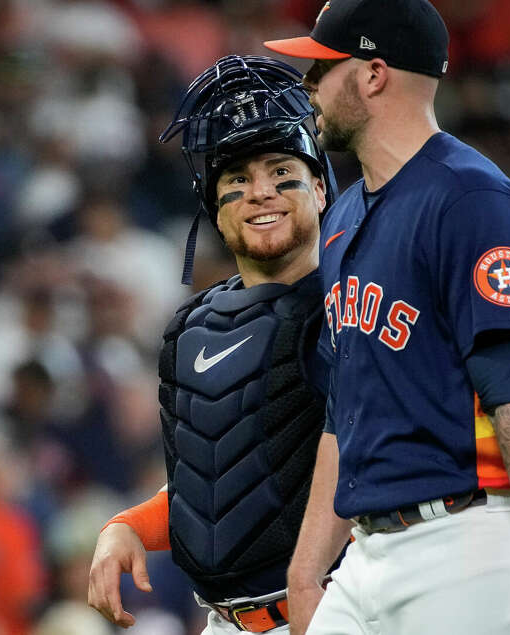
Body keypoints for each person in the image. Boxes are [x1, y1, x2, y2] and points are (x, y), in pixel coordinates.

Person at [262, 1, 510, 633]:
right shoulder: (341, 218)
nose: (308, 87)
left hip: (473, 542)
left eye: (321, 68)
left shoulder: (471, 200)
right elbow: (343, 408)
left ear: (373, 74)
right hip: (365, 554)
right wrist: (306, 573)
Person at [87, 55, 338, 634]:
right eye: (238, 180)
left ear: (321, 188)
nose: (261, 193)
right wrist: (127, 525)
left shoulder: (352, 304)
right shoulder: (192, 327)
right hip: (223, 623)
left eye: (281, 172)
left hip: (337, 608)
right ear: (213, 207)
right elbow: (220, 481)